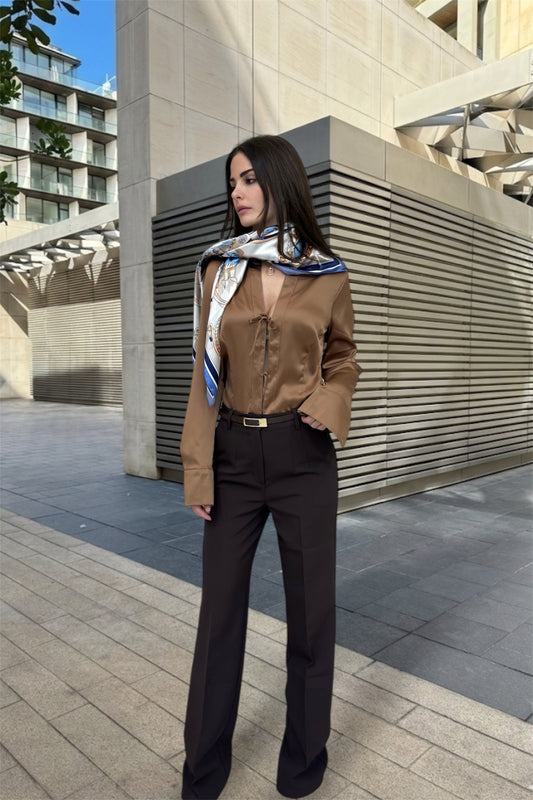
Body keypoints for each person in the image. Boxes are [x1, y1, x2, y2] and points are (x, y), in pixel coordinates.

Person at [180, 134, 361, 799]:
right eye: (232, 182)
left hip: (302, 456)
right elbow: (201, 378)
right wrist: (197, 469)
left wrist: (327, 399)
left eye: (250, 178)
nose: (238, 192)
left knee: (311, 617)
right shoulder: (217, 269)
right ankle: (201, 769)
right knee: (218, 615)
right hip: (232, 454)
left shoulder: (327, 273)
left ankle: (303, 762)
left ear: (279, 181)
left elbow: (343, 358)